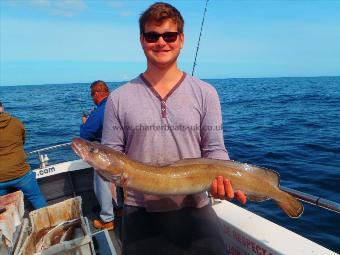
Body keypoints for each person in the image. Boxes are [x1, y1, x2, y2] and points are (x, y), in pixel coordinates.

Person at [102, 2, 246, 254]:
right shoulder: (118, 98)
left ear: (181, 39)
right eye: (152, 35)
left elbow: (215, 151)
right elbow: (110, 153)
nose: (161, 42)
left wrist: (224, 182)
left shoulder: (206, 93)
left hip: (197, 208)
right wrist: (104, 168)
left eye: (169, 35)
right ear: (141, 40)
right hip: (139, 212)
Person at [80, 80, 119, 231]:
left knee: (102, 184)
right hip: (122, 152)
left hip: (105, 154)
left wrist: (85, 122)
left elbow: (85, 134)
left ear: (97, 94)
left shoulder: (100, 110)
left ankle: (107, 219)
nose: (92, 98)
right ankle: (119, 207)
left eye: (92, 95)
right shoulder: (117, 104)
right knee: (120, 182)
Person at [0, 101, 47, 209]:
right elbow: (22, 140)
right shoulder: (16, 122)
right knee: (36, 197)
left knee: (4, 208)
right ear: (2, 107)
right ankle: (46, 221)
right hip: (21, 172)